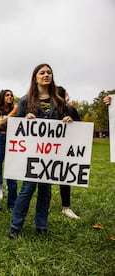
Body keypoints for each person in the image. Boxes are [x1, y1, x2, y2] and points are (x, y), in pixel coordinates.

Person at [9, 64, 73, 239]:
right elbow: (15, 125)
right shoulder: (25, 101)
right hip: (31, 155)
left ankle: (41, 226)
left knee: (46, 190)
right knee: (27, 189)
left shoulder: (58, 101)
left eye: (49, 72)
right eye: (42, 73)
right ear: (35, 77)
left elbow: (64, 123)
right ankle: (15, 226)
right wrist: (24, 119)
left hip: (51, 155)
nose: (46, 75)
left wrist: (67, 119)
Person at [0, 89, 18, 212]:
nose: (10, 97)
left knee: (12, 173)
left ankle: (12, 204)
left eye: (11, 95)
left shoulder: (18, 111)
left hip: (13, 139)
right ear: (2, 97)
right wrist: (14, 111)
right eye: (7, 95)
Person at [58, 86, 80, 219]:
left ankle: (66, 207)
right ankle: (44, 205)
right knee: (44, 179)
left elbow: (82, 129)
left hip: (65, 150)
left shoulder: (71, 110)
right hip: (47, 151)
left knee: (64, 177)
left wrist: (72, 123)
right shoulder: (43, 111)